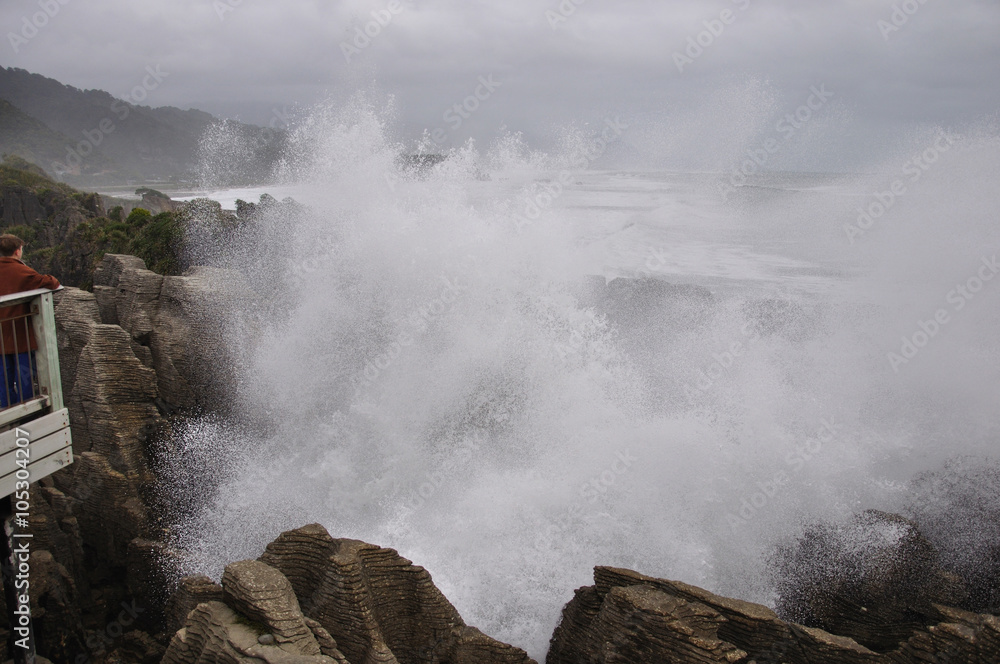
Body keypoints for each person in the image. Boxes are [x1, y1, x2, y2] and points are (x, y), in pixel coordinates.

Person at [0, 234, 60, 408]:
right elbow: (52, 283)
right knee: (24, 376)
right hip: (20, 336)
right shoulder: (21, 271)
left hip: (1, 338)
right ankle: (27, 412)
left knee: (3, 379)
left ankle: (7, 410)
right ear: (17, 251)